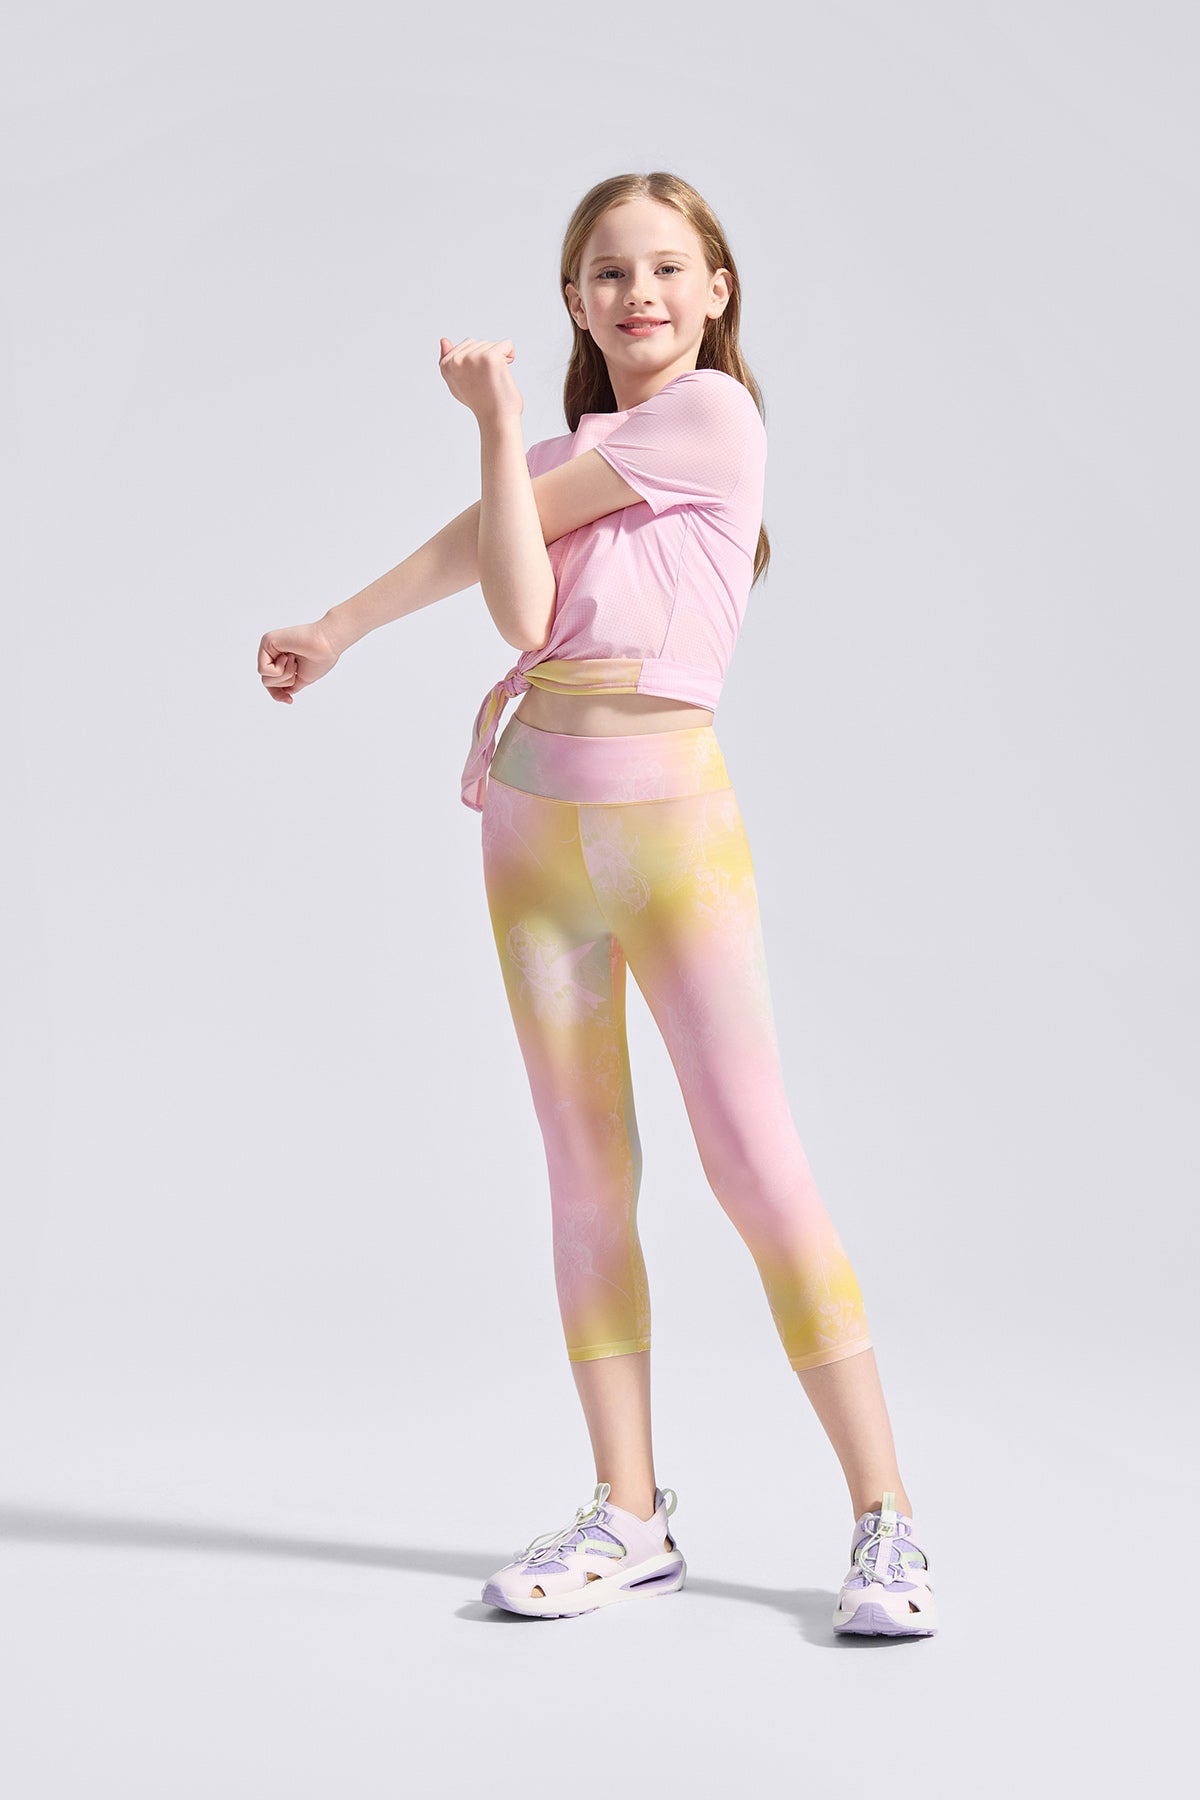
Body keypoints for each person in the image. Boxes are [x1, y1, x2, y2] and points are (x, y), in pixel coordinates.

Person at [256, 172, 938, 1639]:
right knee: (584, 1173)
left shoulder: (712, 418)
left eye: (667, 267)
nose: (639, 293)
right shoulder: (566, 453)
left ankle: (885, 1518)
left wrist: (499, 429)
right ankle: (629, 1514)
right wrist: (340, 627)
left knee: (752, 1158)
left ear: (717, 291)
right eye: (609, 273)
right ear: (574, 300)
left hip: (667, 831)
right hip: (532, 827)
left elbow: (513, 559)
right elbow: (502, 574)